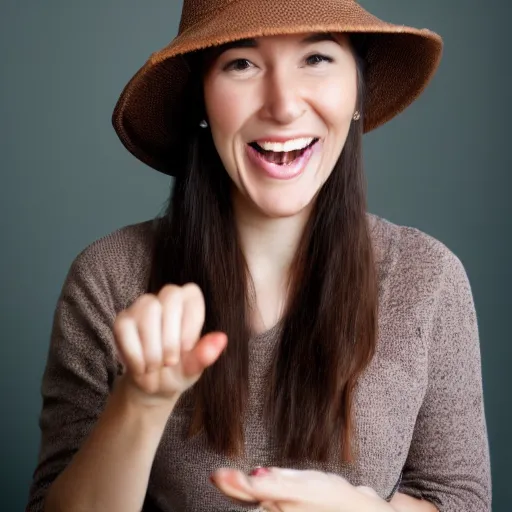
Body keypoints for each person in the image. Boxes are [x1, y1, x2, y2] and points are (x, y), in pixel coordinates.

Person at [26, 0, 491, 511]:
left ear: (357, 88)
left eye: (316, 58)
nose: (284, 105)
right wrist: (140, 402)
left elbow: (456, 498)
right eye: (241, 63)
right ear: (200, 98)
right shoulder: (110, 278)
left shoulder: (428, 277)